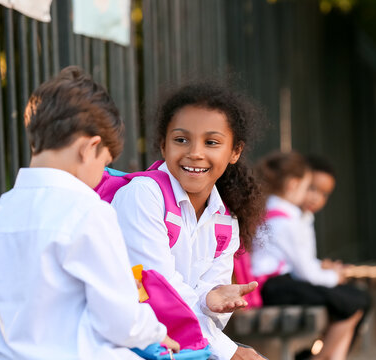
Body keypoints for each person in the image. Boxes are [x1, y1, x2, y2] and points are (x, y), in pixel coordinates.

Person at [0, 66, 179, 360]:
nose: (100, 177)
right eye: (104, 163)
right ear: (89, 148)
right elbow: (119, 318)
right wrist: (157, 332)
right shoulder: (88, 212)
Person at [111, 82, 266, 360]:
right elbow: (157, 291)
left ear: (235, 151)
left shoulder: (225, 220)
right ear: (163, 144)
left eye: (212, 142)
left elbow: (207, 313)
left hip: (180, 348)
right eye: (181, 139)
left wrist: (209, 298)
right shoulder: (142, 196)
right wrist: (230, 352)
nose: (195, 152)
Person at [251, 151, 371, 360]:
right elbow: (306, 273)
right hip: (276, 287)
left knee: (355, 301)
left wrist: (327, 271)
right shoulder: (285, 222)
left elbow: (301, 264)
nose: (312, 196)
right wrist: (335, 277)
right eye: (308, 187)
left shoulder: (280, 214)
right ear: (292, 185)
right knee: (352, 303)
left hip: (280, 284)